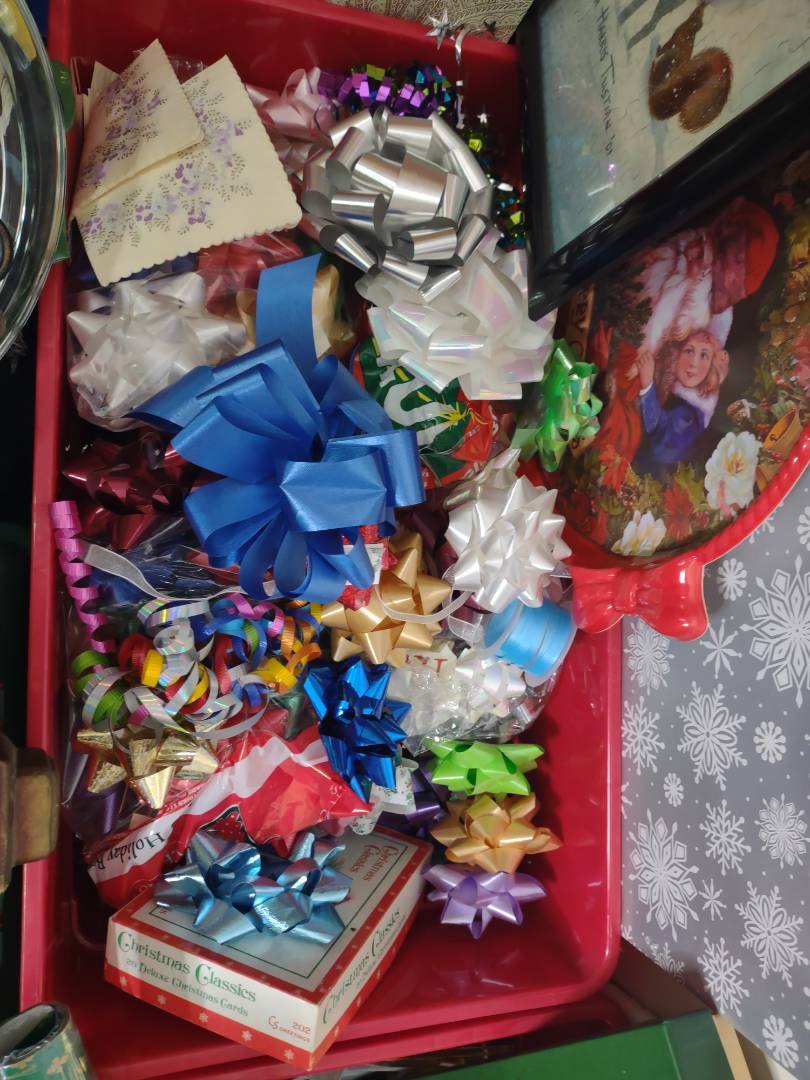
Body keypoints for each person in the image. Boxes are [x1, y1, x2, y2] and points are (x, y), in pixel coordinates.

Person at [633, 326, 729, 476]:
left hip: (649, 473)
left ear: (712, 365)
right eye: (689, 351)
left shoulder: (689, 414)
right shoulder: (673, 391)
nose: (693, 363)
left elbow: (654, 425)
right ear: (677, 353)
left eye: (704, 355)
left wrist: (647, 384)